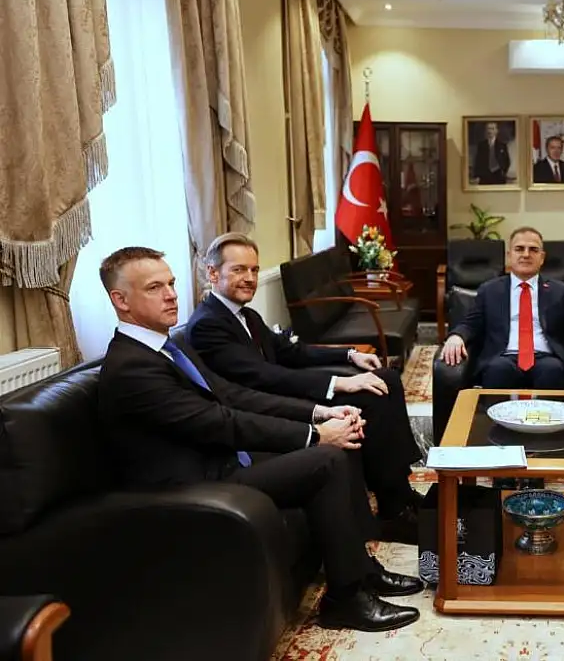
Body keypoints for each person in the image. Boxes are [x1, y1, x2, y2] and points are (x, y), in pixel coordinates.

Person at [96, 246, 422, 633]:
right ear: (121, 300)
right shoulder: (131, 366)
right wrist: (314, 435)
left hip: (223, 458)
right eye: (155, 287)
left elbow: (233, 396)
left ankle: (361, 570)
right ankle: (345, 600)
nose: (171, 295)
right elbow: (218, 421)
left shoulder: (170, 345)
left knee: (340, 444)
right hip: (193, 484)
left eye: (171, 283)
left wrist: (321, 413)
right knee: (327, 456)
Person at [185, 233, 423, 544]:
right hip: (265, 408)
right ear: (213, 273)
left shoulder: (246, 315)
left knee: (385, 378)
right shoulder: (207, 324)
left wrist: (349, 355)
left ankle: (399, 490)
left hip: (280, 392)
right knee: (370, 395)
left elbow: (291, 352)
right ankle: (393, 510)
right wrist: (340, 381)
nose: (250, 278)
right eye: (239, 269)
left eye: (254, 270)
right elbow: (262, 376)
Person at [440, 226, 564, 389]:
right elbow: (470, 324)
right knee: (498, 370)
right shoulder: (489, 290)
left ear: (542, 258)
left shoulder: (560, 291)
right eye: (519, 249)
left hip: (547, 357)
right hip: (503, 356)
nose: (526, 254)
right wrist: (456, 336)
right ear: (509, 255)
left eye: (533, 250)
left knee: (552, 371)